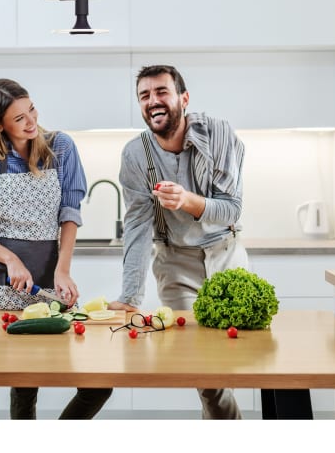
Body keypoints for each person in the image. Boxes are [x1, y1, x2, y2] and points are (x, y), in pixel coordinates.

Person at [0, 78, 112, 420]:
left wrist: (63, 269)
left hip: (50, 274)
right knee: (23, 380)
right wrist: (10, 259)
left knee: (97, 383)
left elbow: (70, 212)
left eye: (32, 109)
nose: (31, 122)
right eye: (19, 118)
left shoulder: (61, 147)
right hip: (2, 283)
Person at [108, 65, 248, 420]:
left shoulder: (219, 135)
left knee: (240, 356)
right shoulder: (135, 155)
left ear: (183, 99)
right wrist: (129, 297)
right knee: (206, 369)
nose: (153, 101)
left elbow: (231, 210)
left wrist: (187, 200)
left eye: (161, 92)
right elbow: (138, 225)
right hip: (176, 262)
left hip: (226, 255)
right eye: (144, 95)